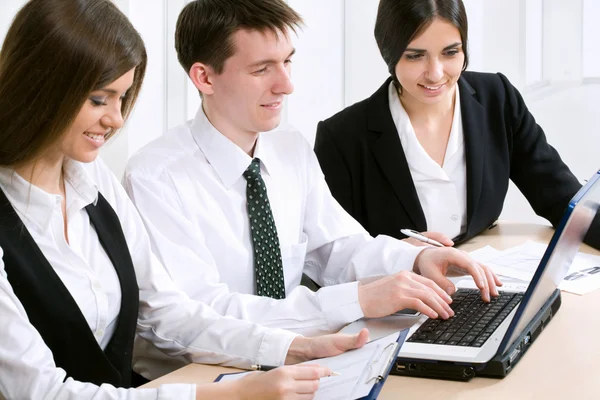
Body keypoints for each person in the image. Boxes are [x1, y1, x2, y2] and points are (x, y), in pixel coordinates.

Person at [0, 1, 371, 398]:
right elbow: (40, 392)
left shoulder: (93, 180)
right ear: (42, 85)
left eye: (122, 99)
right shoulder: (147, 174)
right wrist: (227, 395)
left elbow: (164, 311)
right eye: (98, 100)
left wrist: (291, 347)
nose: (116, 120)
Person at [124, 0, 502, 378]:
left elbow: (336, 246)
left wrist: (414, 262)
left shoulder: (289, 146)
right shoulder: (155, 177)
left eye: (287, 62)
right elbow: (197, 316)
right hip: (202, 375)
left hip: (295, 358)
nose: (286, 85)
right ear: (204, 78)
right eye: (261, 69)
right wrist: (355, 300)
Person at [314, 0, 600, 250]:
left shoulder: (497, 98)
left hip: (487, 281)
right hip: (401, 297)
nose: (436, 73)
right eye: (415, 55)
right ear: (388, 52)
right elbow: (333, 256)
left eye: (450, 52)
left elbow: (562, 199)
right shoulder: (342, 138)